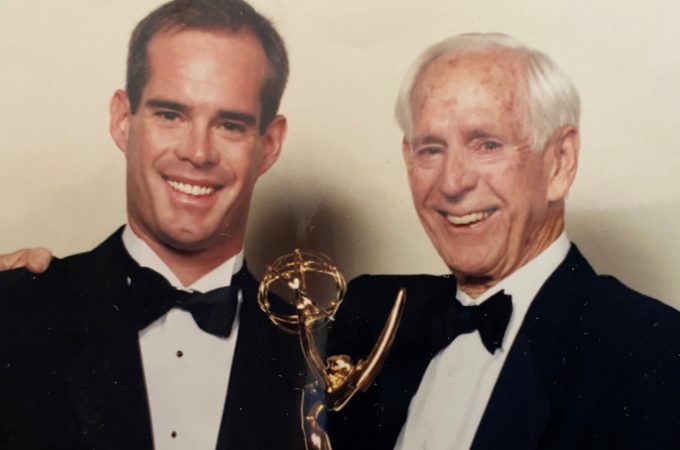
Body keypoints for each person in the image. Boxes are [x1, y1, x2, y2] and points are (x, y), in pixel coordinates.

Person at [327, 33, 680, 450]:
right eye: (431, 149)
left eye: (488, 145)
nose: (452, 183)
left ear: (560, 162)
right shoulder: (370, 311)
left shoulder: (653, 350)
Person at [0, 1, 307, 449]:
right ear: (122, 122)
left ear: (270, 144)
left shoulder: (312, 353)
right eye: (170, 115)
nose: (197, 153)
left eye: (229, 124)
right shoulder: (13, 311)